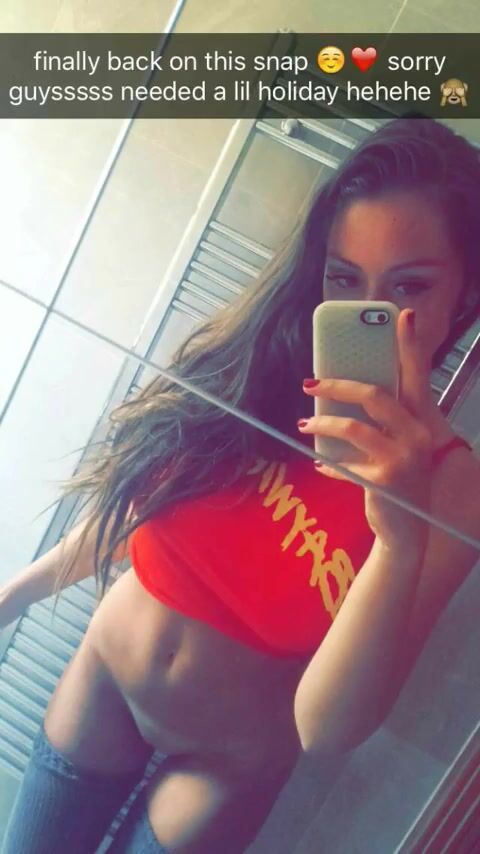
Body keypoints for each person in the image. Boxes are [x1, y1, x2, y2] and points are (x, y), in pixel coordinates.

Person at [1, 117, 480, 854]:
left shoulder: (452, 484)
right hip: (101, 682)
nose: (372, 313)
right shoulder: (255, 359)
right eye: (344, 278)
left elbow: (326, 729)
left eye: (410, 286)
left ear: (466, 294)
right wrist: (12, 596)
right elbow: (139, 505)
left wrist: (396, 535)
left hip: (223, 771)